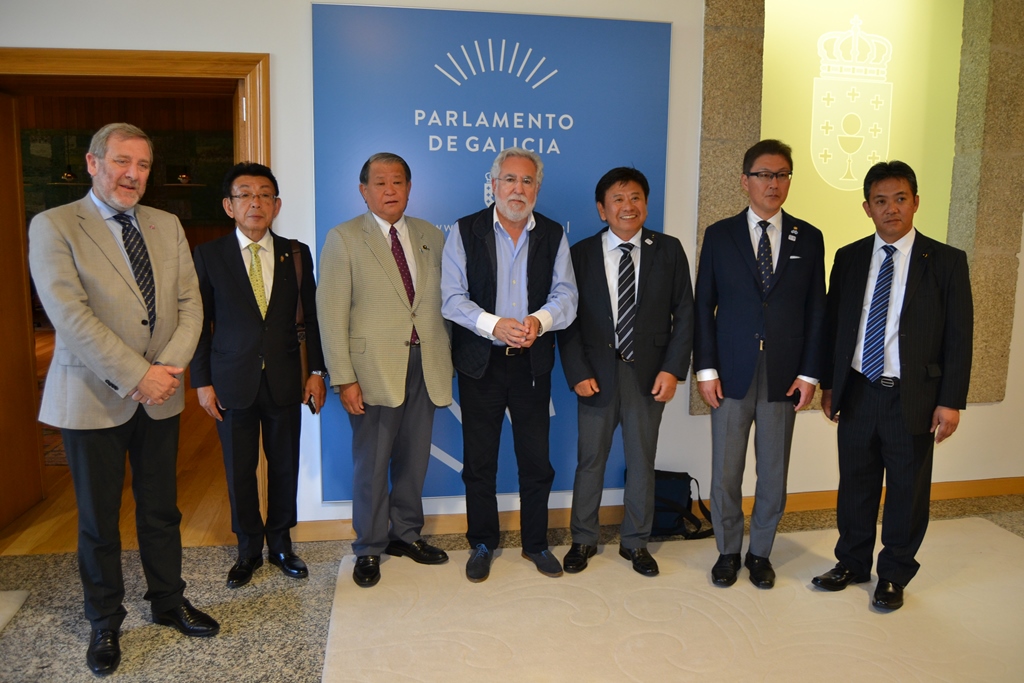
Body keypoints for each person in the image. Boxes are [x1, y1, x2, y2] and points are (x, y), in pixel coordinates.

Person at [28, 123, 218, 676]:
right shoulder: (55, 225)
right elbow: (69, 315)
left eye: (142, 165)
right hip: (92, 396)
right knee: (98, 519)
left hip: (160, 396)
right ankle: (104, 620)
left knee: (161, 509)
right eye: (121, 162)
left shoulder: (167, 224)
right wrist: (138, 374)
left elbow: (191, 304)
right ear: (93, 163)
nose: (132, 174)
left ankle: (167, 601)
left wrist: (166, 371)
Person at [813, 161, 973, 611]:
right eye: (880, 201)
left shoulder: (946, 261)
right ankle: (852, 562)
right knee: (856, 484)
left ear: (916, 202)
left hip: (914, 396)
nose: (891, 209)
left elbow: (960, 337)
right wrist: (830, 385)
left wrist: (951, 402)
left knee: (907, 488)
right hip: (859, 390)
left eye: (900, 199)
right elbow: (835, 328)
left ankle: (894, 573)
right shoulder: (848, 257)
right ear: (867, 207)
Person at [694, 139, 826, 589]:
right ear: (745, 180)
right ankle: (728, 551)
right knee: (726, 471)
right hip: (730, 372)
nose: (774, 183)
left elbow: (816, 311)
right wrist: (705, 370)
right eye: (765, 175)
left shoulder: (808, 237)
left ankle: (761, 553)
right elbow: (702, 306)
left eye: (782, 174)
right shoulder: (719, 234)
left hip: (785, 376)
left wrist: (810, 373)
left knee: (773, 471)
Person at [442, 147, 578, 582]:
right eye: (510, 180)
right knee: (479, 462)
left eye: (527, 181)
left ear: (537, 188)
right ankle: (482, 542)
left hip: (532, 364)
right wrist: (494, 325)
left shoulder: (554, 234)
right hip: (480, 362)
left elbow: (567, 296)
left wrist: (539, 321)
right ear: (494, 184)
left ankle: (536, 543)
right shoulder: (465, 231)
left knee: (536, 461)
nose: (518, 190)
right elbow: (451, 299)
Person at [318, 152, 453, 588]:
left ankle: (406, 534)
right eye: (380, 183)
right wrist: (343, 377)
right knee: (372, 463)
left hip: (426, 363)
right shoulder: (344, 238)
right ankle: (370, 546)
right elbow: (331, 313)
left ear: (410, 188)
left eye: (398, 182)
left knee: (414, 459)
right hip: (371, 368)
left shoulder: (432, 235)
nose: (390, 190)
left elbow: (445, 305)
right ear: (363, 190)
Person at [190, 162, 327, 589]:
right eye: (245, 194)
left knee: (285, 465)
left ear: (277, 204)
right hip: (231, 380)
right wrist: (201, 381)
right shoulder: (210, 256)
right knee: (239, 469)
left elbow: (315, 320)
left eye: (265, 194)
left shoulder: (296, 252)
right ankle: (248, 548)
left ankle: (282, 543)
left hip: (287, 378)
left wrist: (317, 371)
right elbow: (198, 322)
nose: (256, 202)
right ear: (229, 206)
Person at [558, 167, 694, 576]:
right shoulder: (579, 254)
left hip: (648, 376)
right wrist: (577, 371)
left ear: (646, 205)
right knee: (590, 461)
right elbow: (567, 319)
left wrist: (673, 370)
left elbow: (685, 314)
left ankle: (636, 542)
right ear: (602, 210)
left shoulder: (668, 250)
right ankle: (583, 539)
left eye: (635, 197)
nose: (627, 206)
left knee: (641, 460)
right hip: (595, 376)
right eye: (617, 199)